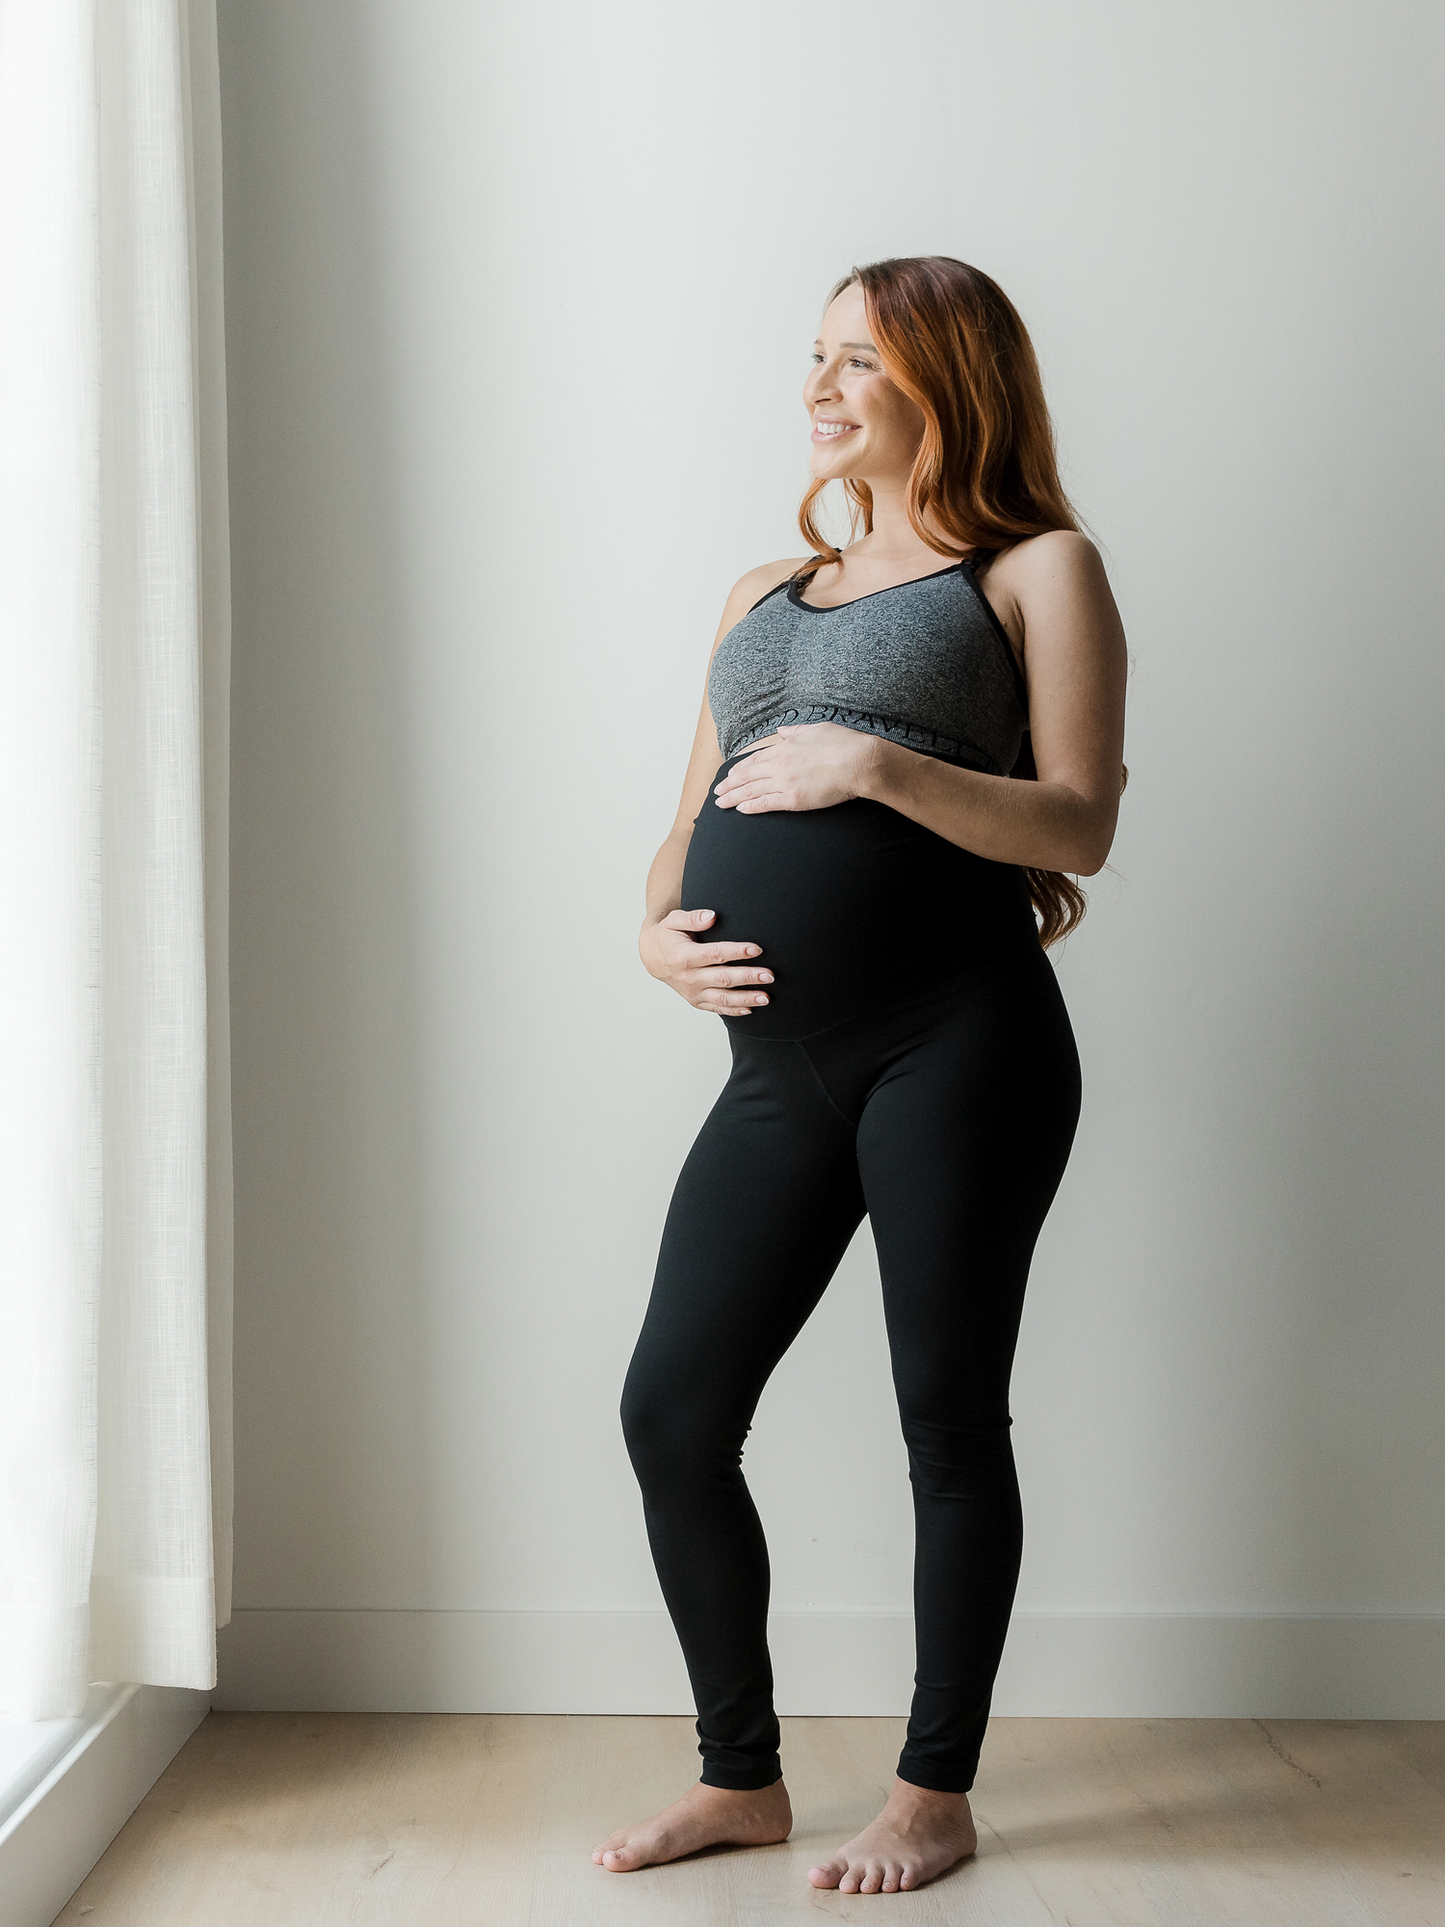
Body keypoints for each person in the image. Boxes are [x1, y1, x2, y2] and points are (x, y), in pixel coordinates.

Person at [593, 255, 1128, 1897]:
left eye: (859, 362)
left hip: (958, 1042)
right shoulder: (763, 589)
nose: (821, 388)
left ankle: (933, 1789)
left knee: (947, 1418)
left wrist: (885, 765)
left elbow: (1081, 825)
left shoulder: (1037, 572)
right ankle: (740, 1774)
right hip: (780, 1068)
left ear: (948, 382)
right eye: (814, 356)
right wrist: (657, 936)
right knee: (673, 1409)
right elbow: (687, 826)